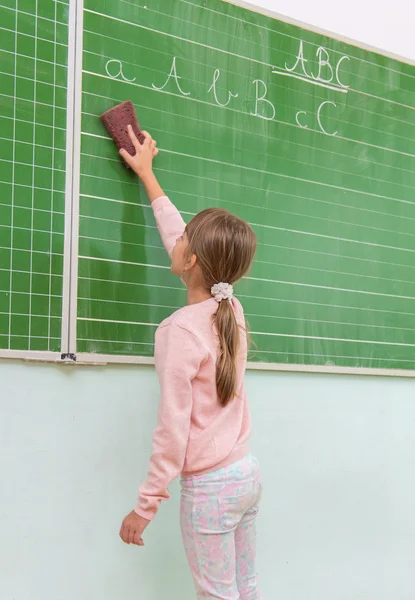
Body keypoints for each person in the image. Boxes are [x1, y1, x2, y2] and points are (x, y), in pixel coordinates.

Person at [118, 125, 263, 600]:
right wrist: (149, 178)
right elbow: (180, 235)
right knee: (244, 590)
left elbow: (172, 428)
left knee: (216, 596)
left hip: (211, 491)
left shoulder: (180, 330)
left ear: (192, 260)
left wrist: (146, 505)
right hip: (244, 476)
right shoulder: (229, 308)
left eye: (184, 241)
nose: (176, 240)